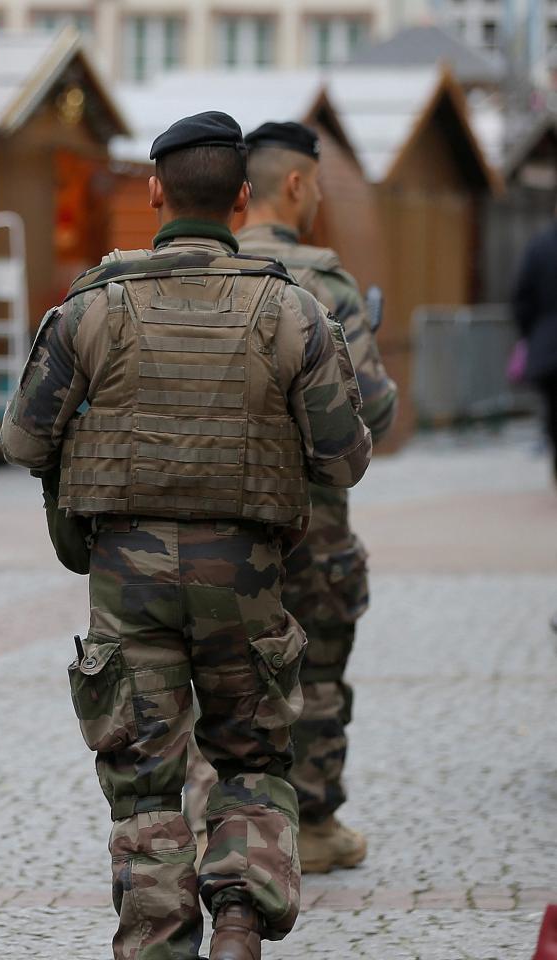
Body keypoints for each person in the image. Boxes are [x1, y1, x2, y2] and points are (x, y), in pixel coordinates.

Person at [2, 112, 372, 960]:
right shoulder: (294, 313)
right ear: (244, 200)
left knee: (145, 784)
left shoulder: (91, 309)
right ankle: (239, 923)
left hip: (127, 583)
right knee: (249, 760)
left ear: (155, 191)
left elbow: (23, 441)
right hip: (247, 579)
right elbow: (345, 458)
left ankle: (159, 941)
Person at [237, 120, 398, 875]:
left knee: (228, 680)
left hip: (229, 530)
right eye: (318, 183)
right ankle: (317, 828)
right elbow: (376, 408)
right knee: (320, 677)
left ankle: (231, 828)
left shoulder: (214, 271)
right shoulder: (327, 285)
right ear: (295, 183)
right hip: (316, 525)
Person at [512, 205, 557, 483]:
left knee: (553, 412)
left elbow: (521, 298)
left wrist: (532, 334)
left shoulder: (539, 247)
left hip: (548, 346)